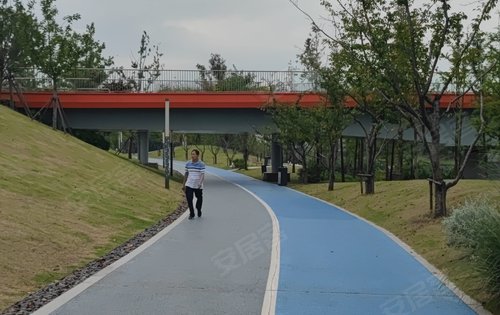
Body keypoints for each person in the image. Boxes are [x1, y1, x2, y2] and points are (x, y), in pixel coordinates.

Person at [182, 149, 205, 220]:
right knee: (189, 199)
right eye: (192, 154)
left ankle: (198, 209)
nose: (192, 156)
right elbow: (186, 174)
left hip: (198, 184)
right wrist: (184, 184)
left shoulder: (201, 164)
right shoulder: (188, 163)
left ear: (197, 155)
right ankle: (192, 213)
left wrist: (199, 184)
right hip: (189, 184)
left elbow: (202, 175)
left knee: (199, 198)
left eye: (194, 154)